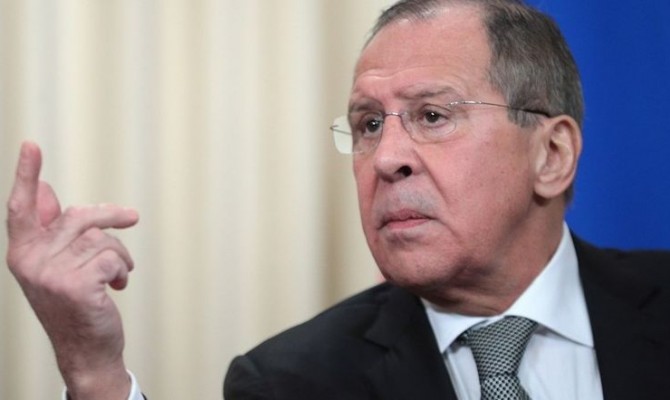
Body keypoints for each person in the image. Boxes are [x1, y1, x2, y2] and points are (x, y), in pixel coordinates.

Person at [5, 0, 670, 399]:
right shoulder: (292, 383)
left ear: (551, 154)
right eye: (368, 124)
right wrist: (94, 372)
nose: (386, 158)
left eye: (432, 115)